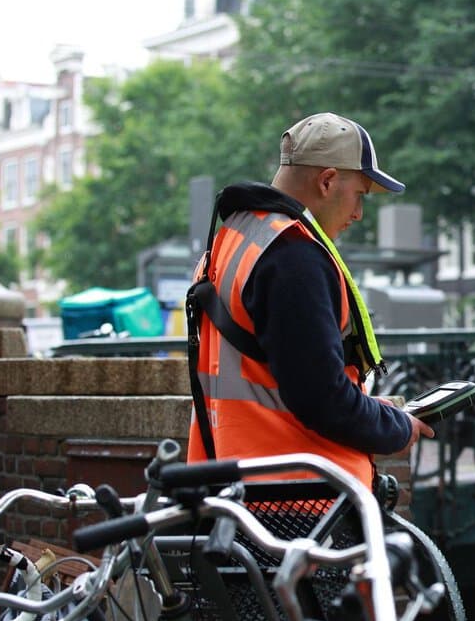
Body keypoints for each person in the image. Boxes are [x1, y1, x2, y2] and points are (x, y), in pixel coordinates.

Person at [186, 112, 434, 489]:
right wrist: (397, 428)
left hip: (235, 483)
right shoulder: (293, 256)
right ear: (328, 180)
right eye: (359, 195)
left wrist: (375, 410)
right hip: (302, 495)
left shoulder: (234, 238)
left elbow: (272, 375)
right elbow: (323, 399)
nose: (358, 214)